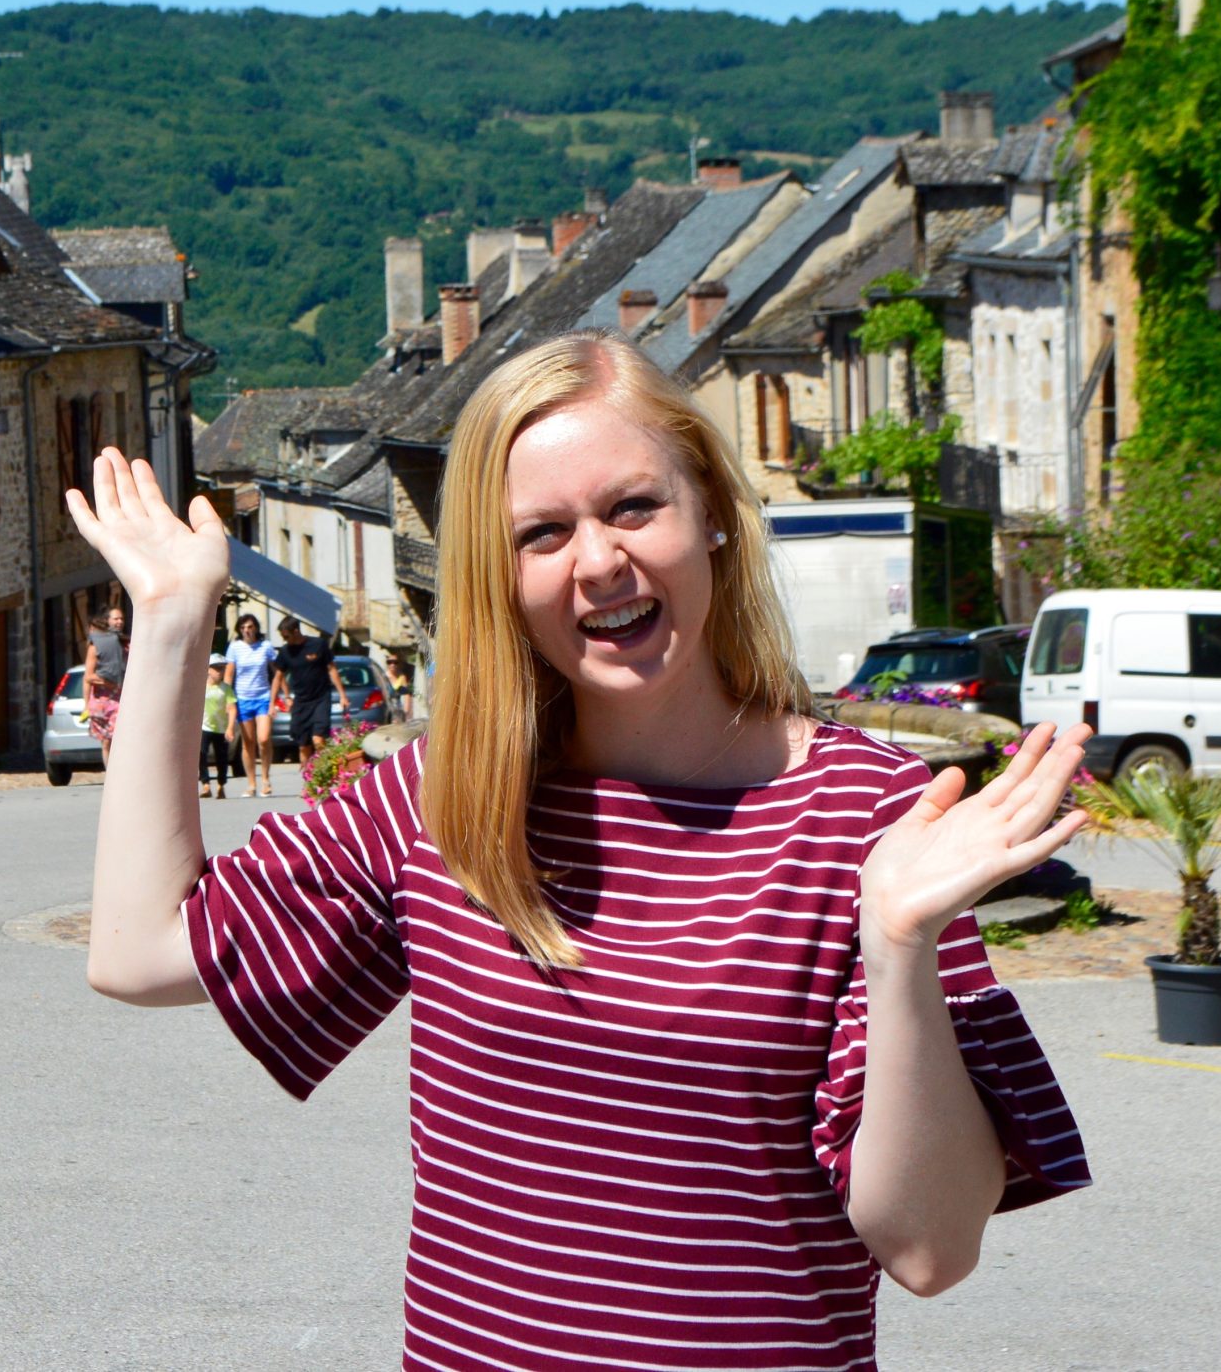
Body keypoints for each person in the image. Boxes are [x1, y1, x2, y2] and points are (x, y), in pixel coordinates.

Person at [63, 332, 1092, 1371]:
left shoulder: (863, 813)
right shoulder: (450, 796)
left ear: (715, 520)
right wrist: (170, 616)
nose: (599, 561)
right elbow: (139, 950)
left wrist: (901, 947)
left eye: (633, 507)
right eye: (542, 533)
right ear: (497, 578)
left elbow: (928, 1247)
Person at [269, 615, 345, 763]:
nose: (285, 639)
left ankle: (324, 772)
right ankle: (309, 781)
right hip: (301, 702)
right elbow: (278, 677)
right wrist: (273, 703)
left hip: (321, 698)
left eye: (286, 635)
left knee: (318, 740)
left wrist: (342, 695)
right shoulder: (285, 652)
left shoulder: (318, 645)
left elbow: (332, 669)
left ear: (296, 631)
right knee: (303, 746)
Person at [221, 614, 278, 797]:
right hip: (243, 699)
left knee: (263, 738)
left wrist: (280, 695)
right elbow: (229, 674)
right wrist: (227, 699)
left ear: (256, 628)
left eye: (250, 626)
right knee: (248, 742)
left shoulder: (266, 646)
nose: (247, 630)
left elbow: (277, 671)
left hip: (263, 697)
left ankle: (266, 779)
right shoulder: (235, 648)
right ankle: (251, 783)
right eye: (244, 627)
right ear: (239, 629)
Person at [83, 602, 127, 766]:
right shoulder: (95, 646)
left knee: (118, 737)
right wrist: (86, 705)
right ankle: (111, 774)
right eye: (116, 618)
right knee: (108, 741)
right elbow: (88, 677)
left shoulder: (125, 644)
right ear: (107, 621)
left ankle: (119, 772)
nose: (120, 622)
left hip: (121, 699)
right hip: (104, 702)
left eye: (122, 619)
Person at [198, 657, 236, 800]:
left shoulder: (226, 688)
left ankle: (221, 785)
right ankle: (205, 783)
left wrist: (230, 728)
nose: (220, 671)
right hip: (204, 726)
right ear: (208, 669)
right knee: (201, 754)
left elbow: (232, 708)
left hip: (221, 728)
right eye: (216, 668)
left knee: (222, 758)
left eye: (222, 668)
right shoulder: (202, 686)